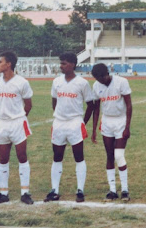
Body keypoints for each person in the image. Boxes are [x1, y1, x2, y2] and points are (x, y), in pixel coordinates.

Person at [45, 52, 95, 203]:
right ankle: (54, 190)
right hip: (59, 123)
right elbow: (54, 100)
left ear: (73, 64)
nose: (61, 66)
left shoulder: (82, 83)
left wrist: (83, 122)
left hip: (75, 122)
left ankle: (80, 190)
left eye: (64, 63)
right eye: (61, 63)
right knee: (57, 156)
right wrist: (59, 114)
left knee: (78, 156)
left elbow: (90, 105)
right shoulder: (56, 82)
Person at [0, 51, 34, 205]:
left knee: (22, 156)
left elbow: (28, 105)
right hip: (2, 123)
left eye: (0, 62)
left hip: (18, 123)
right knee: (3, 159)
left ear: (8, 64)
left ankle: (25, 192)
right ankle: (3, 193)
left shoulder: (22, 82)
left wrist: (19, 118)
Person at [90, 63, 133, 202]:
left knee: (119, 155)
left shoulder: (121, 82)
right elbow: (96, 109)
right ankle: (112, 190)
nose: (99, 81)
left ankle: (125, 190)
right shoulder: (96, 86)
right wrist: (94, 129)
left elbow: (129, 105)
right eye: (97, 79)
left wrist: (127, 127)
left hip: (121, 121)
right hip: (107, 122)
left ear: (106, 74)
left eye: (101, 78)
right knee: (109, 156)